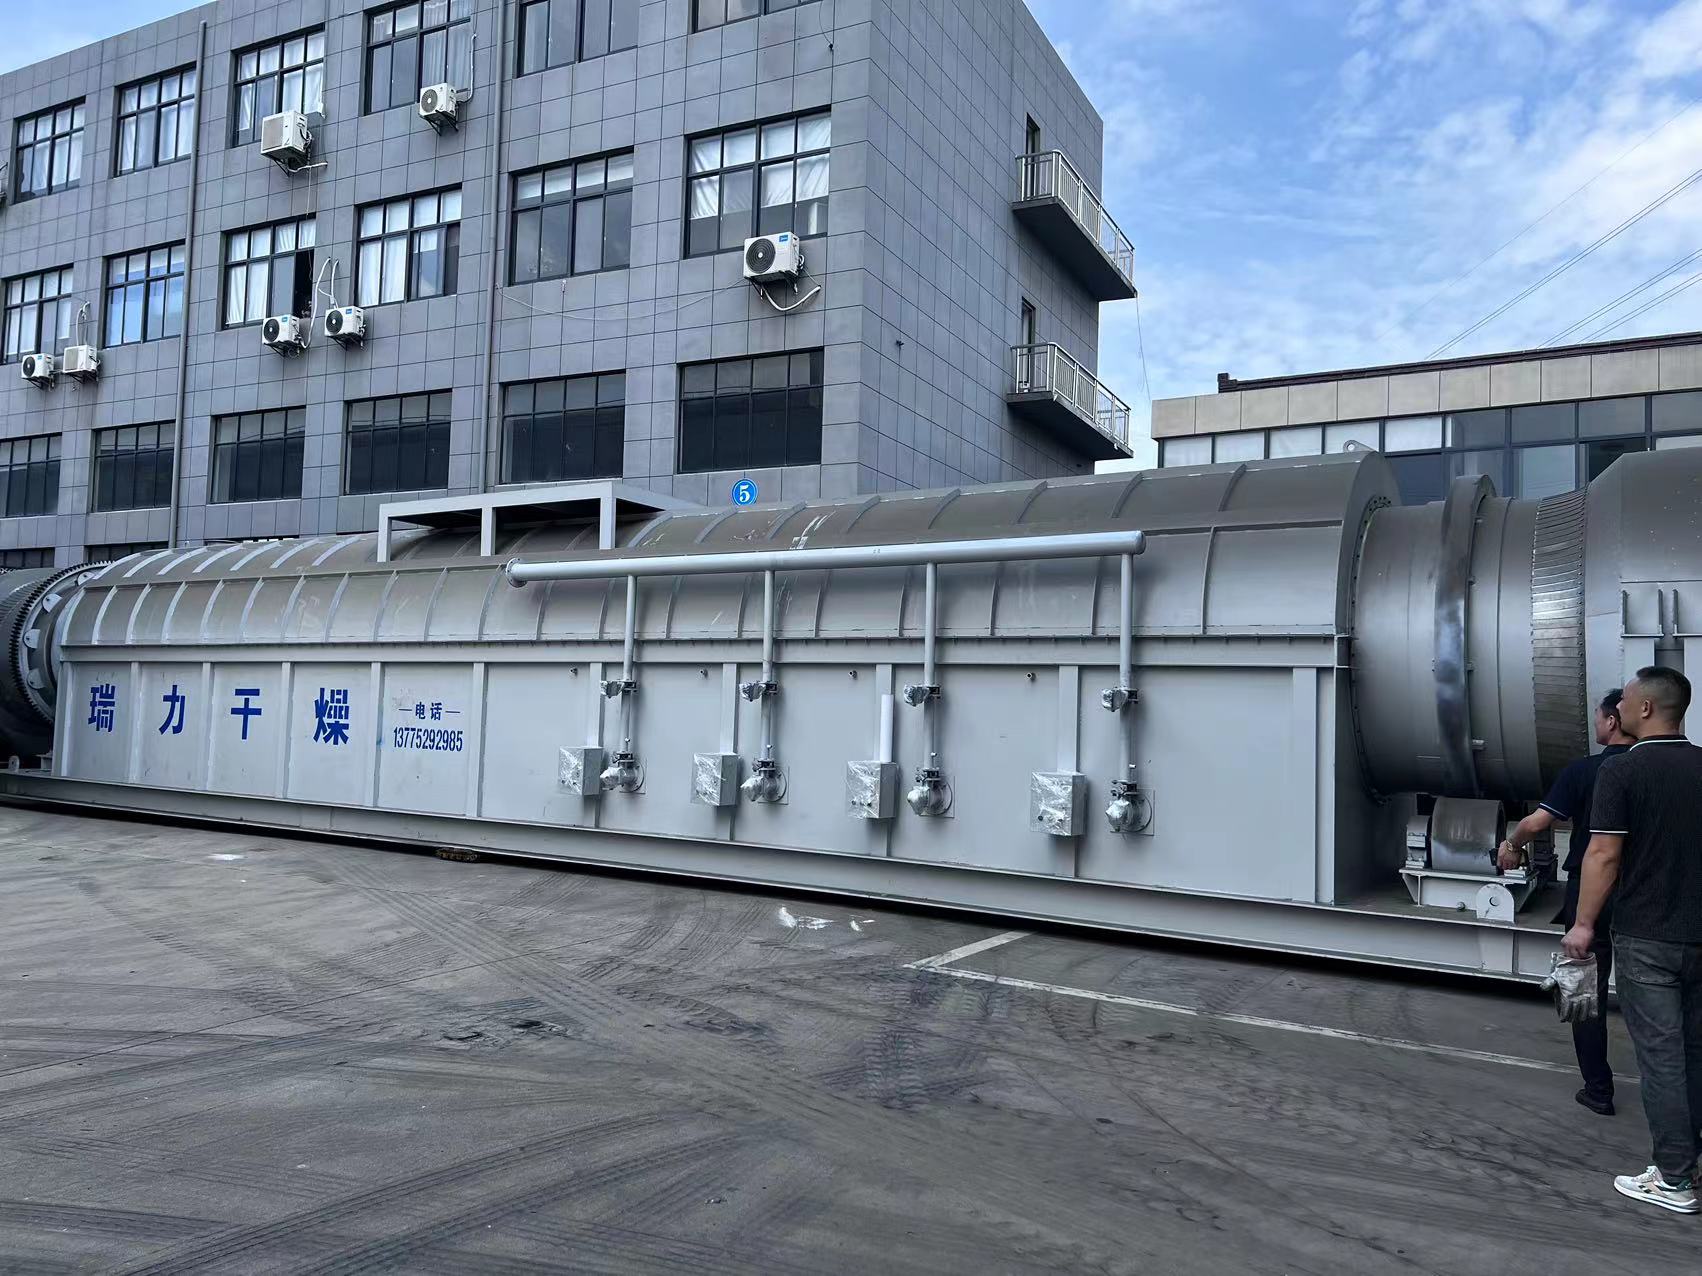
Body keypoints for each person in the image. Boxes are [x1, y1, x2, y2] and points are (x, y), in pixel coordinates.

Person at [1564, 666, 1702, 1216]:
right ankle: (1691, 1159)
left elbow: (1603, 854)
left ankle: (1674, 1179)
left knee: (1662, 1058)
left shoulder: (1620, 771)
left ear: (1645, 709)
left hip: (1647, 936)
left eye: (1623, 700)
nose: (1617, 707)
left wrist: (1583, 924)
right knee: (1694, 1051)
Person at [1499, 689, 1634, 1116]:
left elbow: (1538, 821)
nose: (1595, 723)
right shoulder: (1655, 767)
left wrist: (1511, 845)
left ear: (1612, 721)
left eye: (1598, 717)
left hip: (1589, 891)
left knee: (1584, 989)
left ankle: (1598, 1089)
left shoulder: (1585, 770)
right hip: (1644, 890)